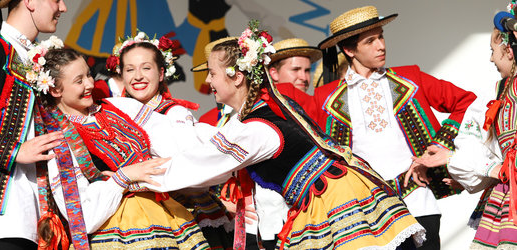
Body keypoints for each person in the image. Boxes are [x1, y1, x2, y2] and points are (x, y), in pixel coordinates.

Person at [108, 20, 426, 249]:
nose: (210, 84)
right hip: (327, 196)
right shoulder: (265, 109)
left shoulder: (254, 129)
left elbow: (200, 165)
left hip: (336, 201)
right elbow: (207, 148)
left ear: (236, 77)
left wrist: (129, 179)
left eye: (214, 74)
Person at [0, 1, 165, 249]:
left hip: (44, 213)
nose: (63, 7)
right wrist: (16, 151)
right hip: (0, 212)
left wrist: (95, 175)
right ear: (30, 2)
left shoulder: (39, 57)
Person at [275, 6, 477, 249]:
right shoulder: (326, 97)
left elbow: (466, 102)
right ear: (349, 50)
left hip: (418, 198)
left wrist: (433, 151)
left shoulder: (410, 78)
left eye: (381, 36)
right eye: (370, 41)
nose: (381, 45)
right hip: (367, 211)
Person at [36, 48, 210, 249]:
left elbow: (178, 146)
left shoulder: (120, 106)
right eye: (79, 80)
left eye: (89, 75)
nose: (90, 84)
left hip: (163, 214)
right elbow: (83, 217)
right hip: (115, 231)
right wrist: (124, 177)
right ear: (55, 90)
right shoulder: (59, 141)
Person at [103, 31, 236, 248]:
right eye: (130, 69)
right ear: (120, 74)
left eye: (146, 68)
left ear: (161, 73)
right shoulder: (110, 113)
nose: (137, 76)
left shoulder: (174, 114)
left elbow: (188, 164)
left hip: (181, 212)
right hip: (128, 215)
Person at [406, 14, 517, 248]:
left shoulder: (501, 94)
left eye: (493, 50)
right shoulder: (498, 94)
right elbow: (494, 157)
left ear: (508, 50)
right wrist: (483, 173)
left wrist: (455, 160)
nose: (491, 59)